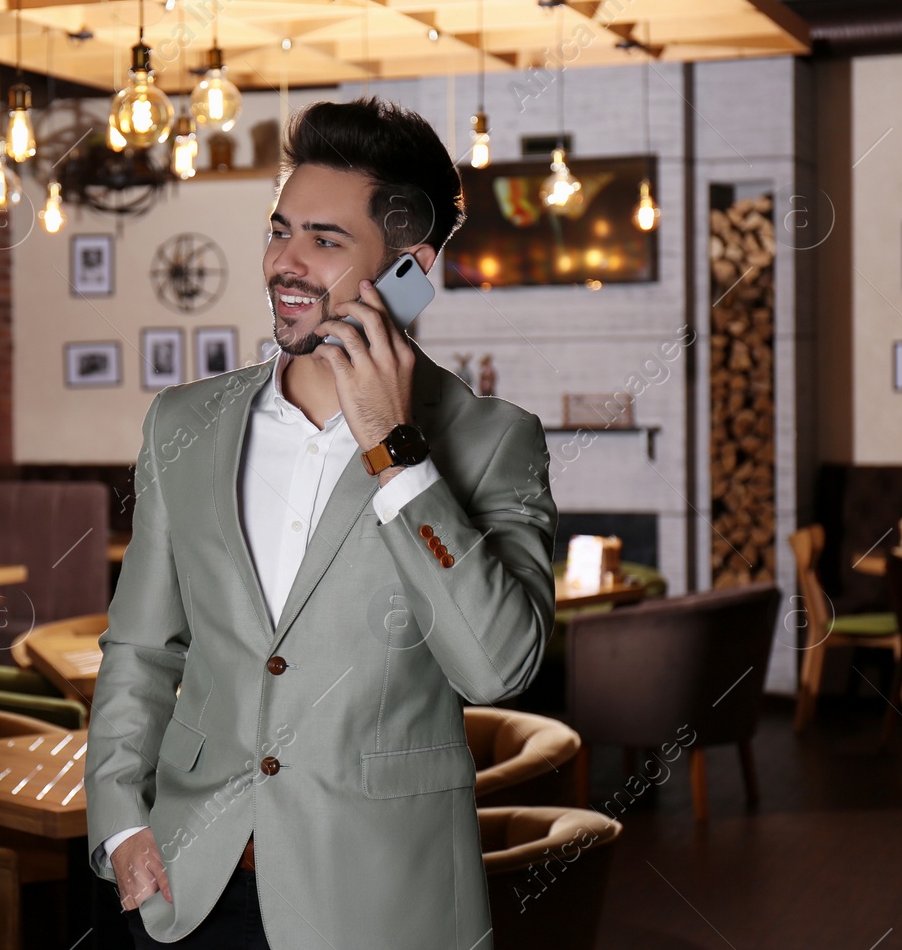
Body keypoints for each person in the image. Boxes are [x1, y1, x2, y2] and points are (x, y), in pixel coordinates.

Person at [85, 97, 558, 949]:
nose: (283, 261)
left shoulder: (492, 441)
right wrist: (120, 821)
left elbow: (497, 666)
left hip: (384, 900)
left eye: (325, 240)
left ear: (410, 270)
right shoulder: (180, 422)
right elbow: (141, 646)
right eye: (279, 229)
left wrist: (396, 452)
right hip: (192, 888)